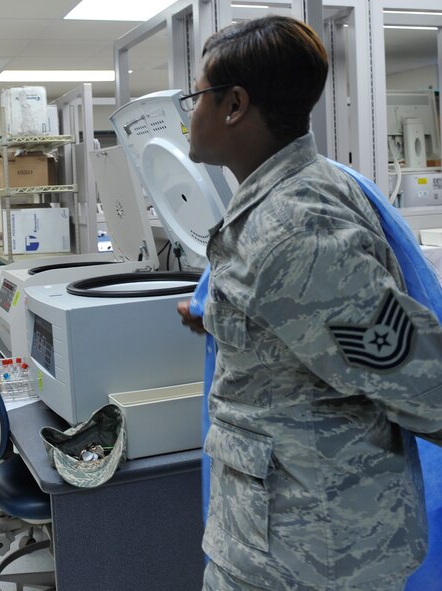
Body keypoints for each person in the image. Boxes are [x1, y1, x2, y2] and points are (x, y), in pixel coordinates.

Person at [176, 15, 442, 590]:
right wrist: (223, 317)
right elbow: (307, 323)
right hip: (289, 534)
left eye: (194, 97)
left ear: (234, 105)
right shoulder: (287, 195)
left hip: (308, 555)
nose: (187, 115)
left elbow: (421, 380)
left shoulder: (293, 228)